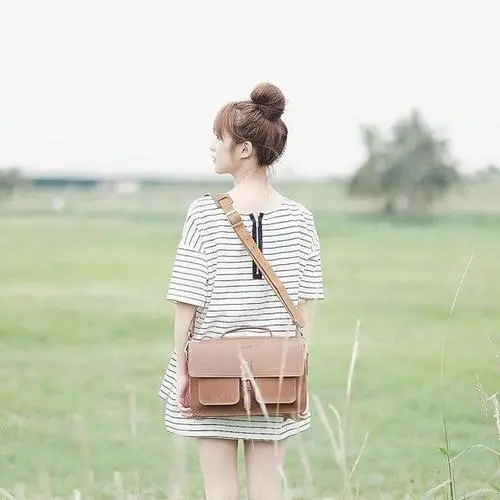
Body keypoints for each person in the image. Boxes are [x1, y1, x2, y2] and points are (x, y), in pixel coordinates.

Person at [158, 82, 324, 500]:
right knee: (267, 491)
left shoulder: (203, 213)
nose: (213, 146)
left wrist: (183, 371)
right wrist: (299, 365)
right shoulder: (301, 219)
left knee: (219, 491)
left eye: (220, 137)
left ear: (245, 149)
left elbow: (186, 302)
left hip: (211, 371)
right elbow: (305, 310)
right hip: (276, 373)